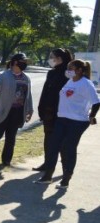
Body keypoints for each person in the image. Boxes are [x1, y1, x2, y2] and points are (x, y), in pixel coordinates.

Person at [35, 59, 100, 188]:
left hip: (77, 121)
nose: (68, 71)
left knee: (68, 149)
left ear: (80, 70)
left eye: (71, 68)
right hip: (62, 119)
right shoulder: (69, 81)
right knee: (53, 146)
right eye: (68, 68)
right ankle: (48, 176)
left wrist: (92, 116)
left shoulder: (86, 84)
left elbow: (96, 102)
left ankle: (66, 179)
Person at [0, 53, 33, 169]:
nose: (25, 64)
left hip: (18, 112)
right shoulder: (4, 75)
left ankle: (6, 160)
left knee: (11, 138)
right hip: (4, 111)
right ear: (15, 62)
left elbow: (28, 95)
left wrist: (29, 110)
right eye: (23, 61)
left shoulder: (26, 78)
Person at [33, 48, 73, 171]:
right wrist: (41, 108)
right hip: (49, 111)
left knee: (62, 141)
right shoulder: (51, 73)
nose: (50, 59)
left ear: (59, 58)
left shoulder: (69, 73)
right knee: (48, 138)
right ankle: (48, 163)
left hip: (64, 112)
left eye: (52, 57)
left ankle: (66, 167)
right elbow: (46, 91)